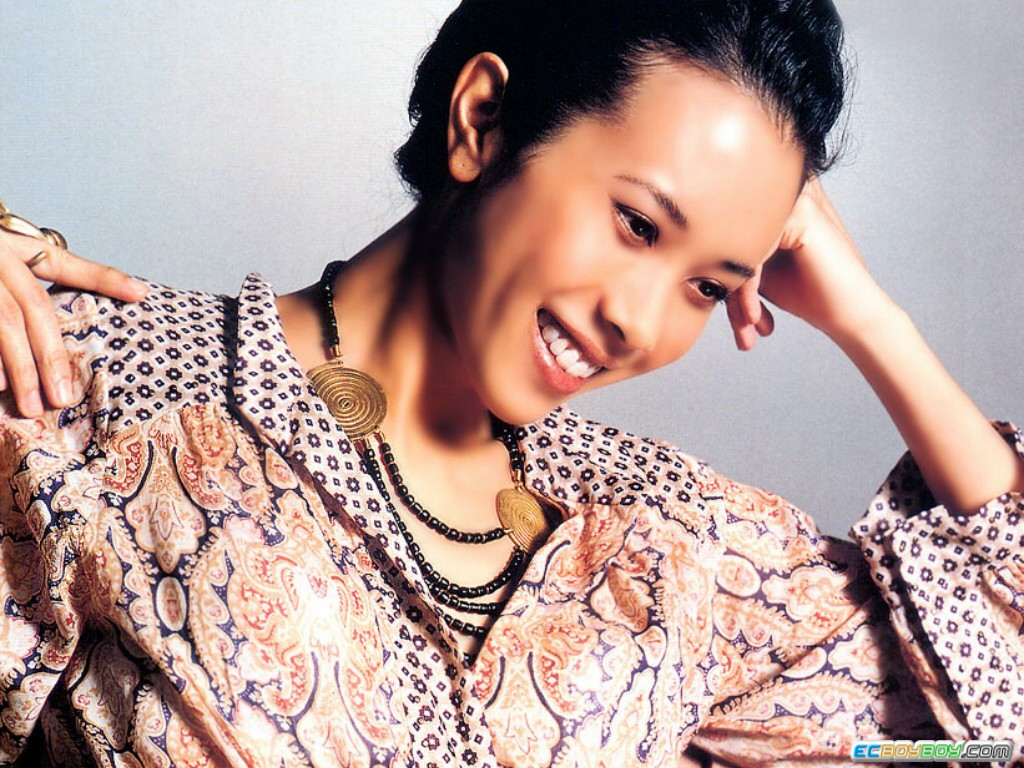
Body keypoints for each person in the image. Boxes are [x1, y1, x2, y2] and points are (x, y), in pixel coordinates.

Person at [0, 1, 1021, 766]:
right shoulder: (93, 394)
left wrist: (874, 323)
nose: (638, 321)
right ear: (483, 120)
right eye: (637, 224)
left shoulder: (666, 542)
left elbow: (986, 733)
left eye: (707, 286)